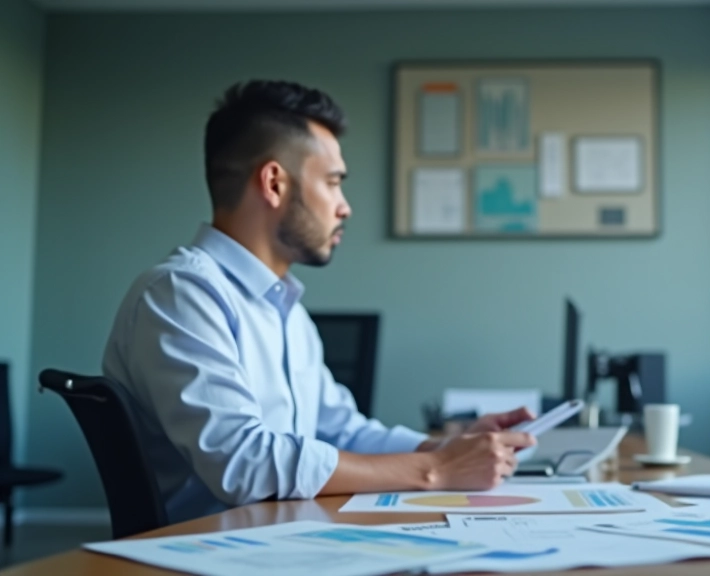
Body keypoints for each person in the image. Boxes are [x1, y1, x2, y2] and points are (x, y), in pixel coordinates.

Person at [102, 80, 536, 523]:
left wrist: (445, 448)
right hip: (209, 555)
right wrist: (436, 470)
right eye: (332, 183)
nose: (344, 207)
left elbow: (340, 430)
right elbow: (243, 465)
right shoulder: (181, 295)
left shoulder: (284, 309)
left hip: (285, 543)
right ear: (274, 183)